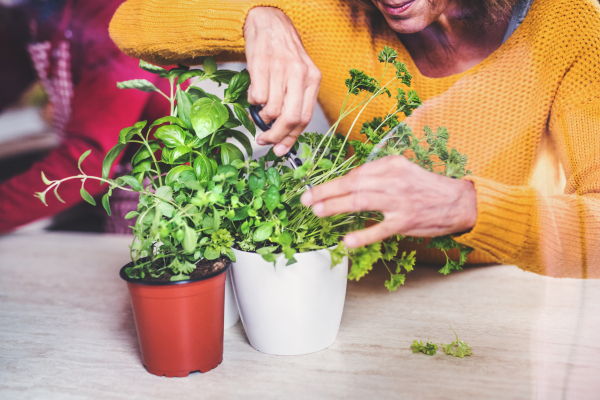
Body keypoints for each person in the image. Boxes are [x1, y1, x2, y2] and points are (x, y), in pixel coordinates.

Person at [108, 0, 600, 278]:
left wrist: (466, 205)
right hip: (364, 291)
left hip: (515, 296)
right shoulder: (340, 11)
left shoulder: (567, 23)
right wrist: (258, 16)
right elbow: (130, 23)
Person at [0, 0, 168, 233]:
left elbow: (89, 165)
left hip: (157, 191)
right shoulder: (33, 16)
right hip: (104, 186)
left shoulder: (122, 16)